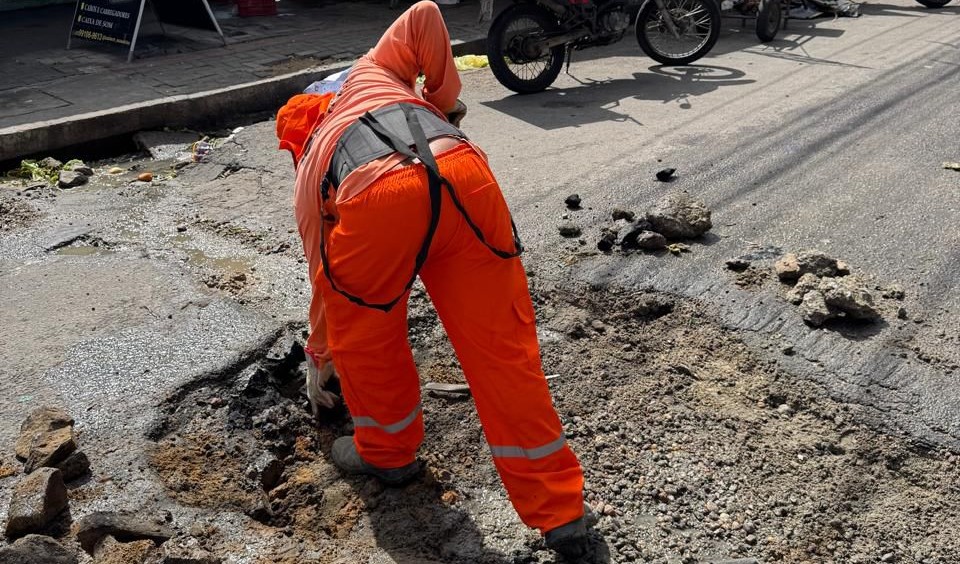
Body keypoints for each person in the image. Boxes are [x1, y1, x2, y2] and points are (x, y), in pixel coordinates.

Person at [285, 1, 589, 558]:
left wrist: (321, 352)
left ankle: (389, 454)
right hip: (464, 174)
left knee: (369, 338)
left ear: (300, 126)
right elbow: (426, 13)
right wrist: (445, 104)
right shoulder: (377, 67)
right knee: (503, 350)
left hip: (376, 195)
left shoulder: (314, 158)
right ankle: (563, 513)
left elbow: (326, 284)